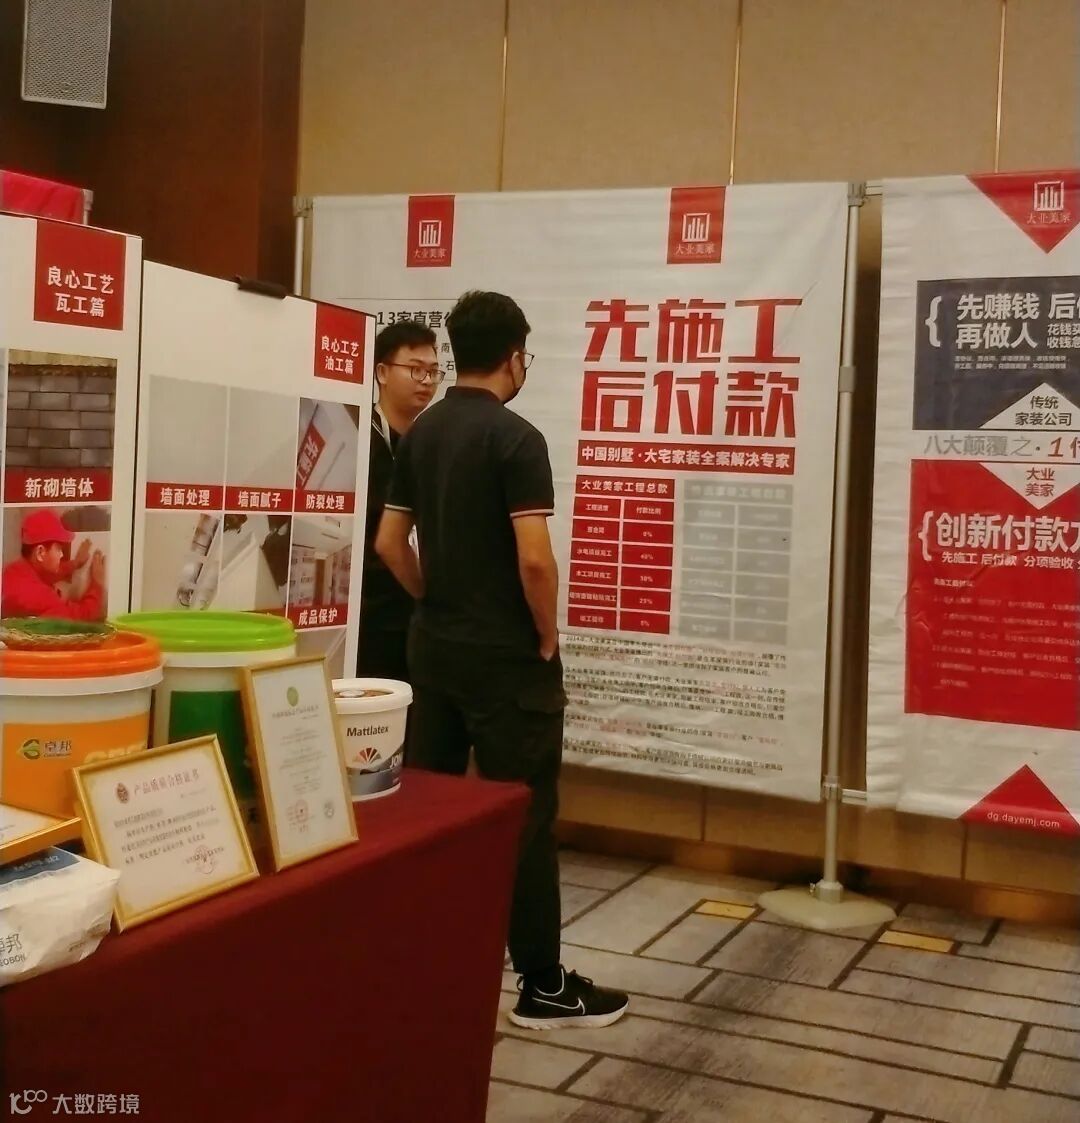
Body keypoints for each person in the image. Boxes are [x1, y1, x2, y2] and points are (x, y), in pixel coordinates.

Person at [376, 290, 628, 1030]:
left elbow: (390, 543)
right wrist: (546, 633)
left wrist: (432, 598)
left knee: (429, 807)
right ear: (515, 356)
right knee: (525, 815)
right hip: (507, 662)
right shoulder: (517, 438)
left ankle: (418, 966)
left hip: (435, 651)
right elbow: (535, 561)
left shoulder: (421, 434)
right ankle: (542, 985)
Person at [357, 319, 441, 680]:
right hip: (369, 612)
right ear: (382, 373)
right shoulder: (360, 437)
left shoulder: (429, 444)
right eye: (416, 369)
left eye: (433, 372)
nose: (426, 381)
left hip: (416, 614)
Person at [1, 509, 105, 620]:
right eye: (58, 548)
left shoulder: (13, 571)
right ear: (40, 552)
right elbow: (83, 616)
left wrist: (75, 564)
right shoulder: (41, 599)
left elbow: (44, 574)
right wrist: (97, 584)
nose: (61, 555)